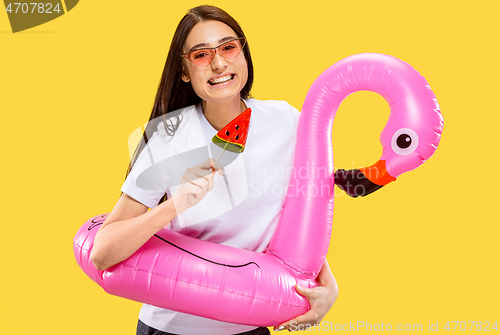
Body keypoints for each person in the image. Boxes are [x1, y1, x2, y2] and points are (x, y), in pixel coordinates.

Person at [90, 5, 338, 335]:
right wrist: (174, 205)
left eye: (228, 48)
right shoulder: (166, 138)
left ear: (244, 54)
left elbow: (298, 217)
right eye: (201, 55)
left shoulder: (286, 122)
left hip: (249, 324)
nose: (219, 63)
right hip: (172, 328)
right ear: (184, 71)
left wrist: (327, 285)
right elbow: (103, 253)